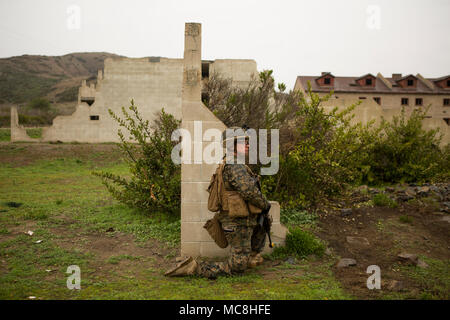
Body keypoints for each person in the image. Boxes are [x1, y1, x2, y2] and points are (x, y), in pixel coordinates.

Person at [165, 126, 271, 279]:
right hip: (236, 221)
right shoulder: (234, 165)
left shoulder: (231, 163)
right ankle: (194, 268)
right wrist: (265, 204)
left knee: (262, 226)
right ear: (232, 145)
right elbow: (249, 191)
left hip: (239, 219)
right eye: (243, 141)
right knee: (237, 268)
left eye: (247, 141)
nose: (247, 144)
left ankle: (250, 257)